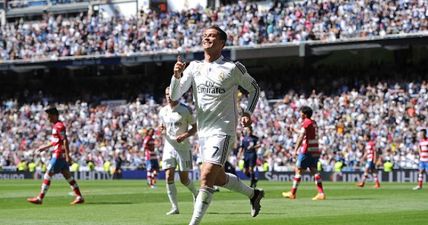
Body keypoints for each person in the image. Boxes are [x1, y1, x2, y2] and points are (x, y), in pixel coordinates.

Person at [170, 25, 264, 225]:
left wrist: (248, 111)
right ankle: (254, 194)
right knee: (218, 178)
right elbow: (175, 95)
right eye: (205, 36)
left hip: (224, 130)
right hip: (203, 132)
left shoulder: (232, 68)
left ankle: (193, 223)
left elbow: (254, 88)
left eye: (212, 36)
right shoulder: (194, 67)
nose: (207, 38)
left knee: (206, 177)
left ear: (222, 43)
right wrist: (176, 76)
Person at [27, 106, 84, 205]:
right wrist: (44, 147)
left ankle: (40, 198)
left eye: (49, 116)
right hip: (60, 155)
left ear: (54, 116)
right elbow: (56, 142)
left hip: (58, 155)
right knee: (68, 176)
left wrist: (67, 155)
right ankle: (79, 196)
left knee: (48, 174)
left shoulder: (59, 126)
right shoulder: (56, 126)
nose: (48, 118)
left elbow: (65, 140)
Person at [159, 86, 198, 215]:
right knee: (168, 176)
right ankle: (175, 207)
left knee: (184, 179)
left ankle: (196, 193)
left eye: (170, 94)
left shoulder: (185, 110)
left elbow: (195, 127)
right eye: (166, 95)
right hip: (168, 147)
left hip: (183, 148)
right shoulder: (163, 111)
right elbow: (163, 126)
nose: (168, 97)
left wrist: (185, 135)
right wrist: (162, 130)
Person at [282, 106, 326, 200]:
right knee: (314, 170)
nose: (300, 114)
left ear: (305, 114)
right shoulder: (313, 122)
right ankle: (321, 193)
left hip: (307, 150)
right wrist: (295, 130)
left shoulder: (306, 122)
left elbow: (302, 136)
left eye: (301, 113)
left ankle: (292, 193)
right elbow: (306, 133)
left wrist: (295, 150)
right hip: (315, 149)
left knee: (298, 170)